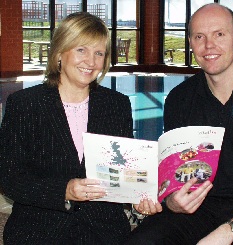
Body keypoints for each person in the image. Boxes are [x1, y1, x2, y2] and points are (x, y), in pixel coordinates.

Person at [125, 3, 233, 245]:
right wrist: (174, 201)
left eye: (219, 34)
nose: (209, 45)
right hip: (198, 210)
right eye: (199, 36)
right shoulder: (180, 99)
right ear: (191, 43)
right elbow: (175, 177)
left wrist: (227, 232)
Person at [0, 12, 160, 244]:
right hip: (40, 227)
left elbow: (124, 170)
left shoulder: (116, 104)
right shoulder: (26, 104)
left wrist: (137, 199)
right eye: (81, 50)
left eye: (99, 53)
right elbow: (9, 178)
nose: (91, 62)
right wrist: (63, 191)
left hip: (102, 228)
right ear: (59, 54)